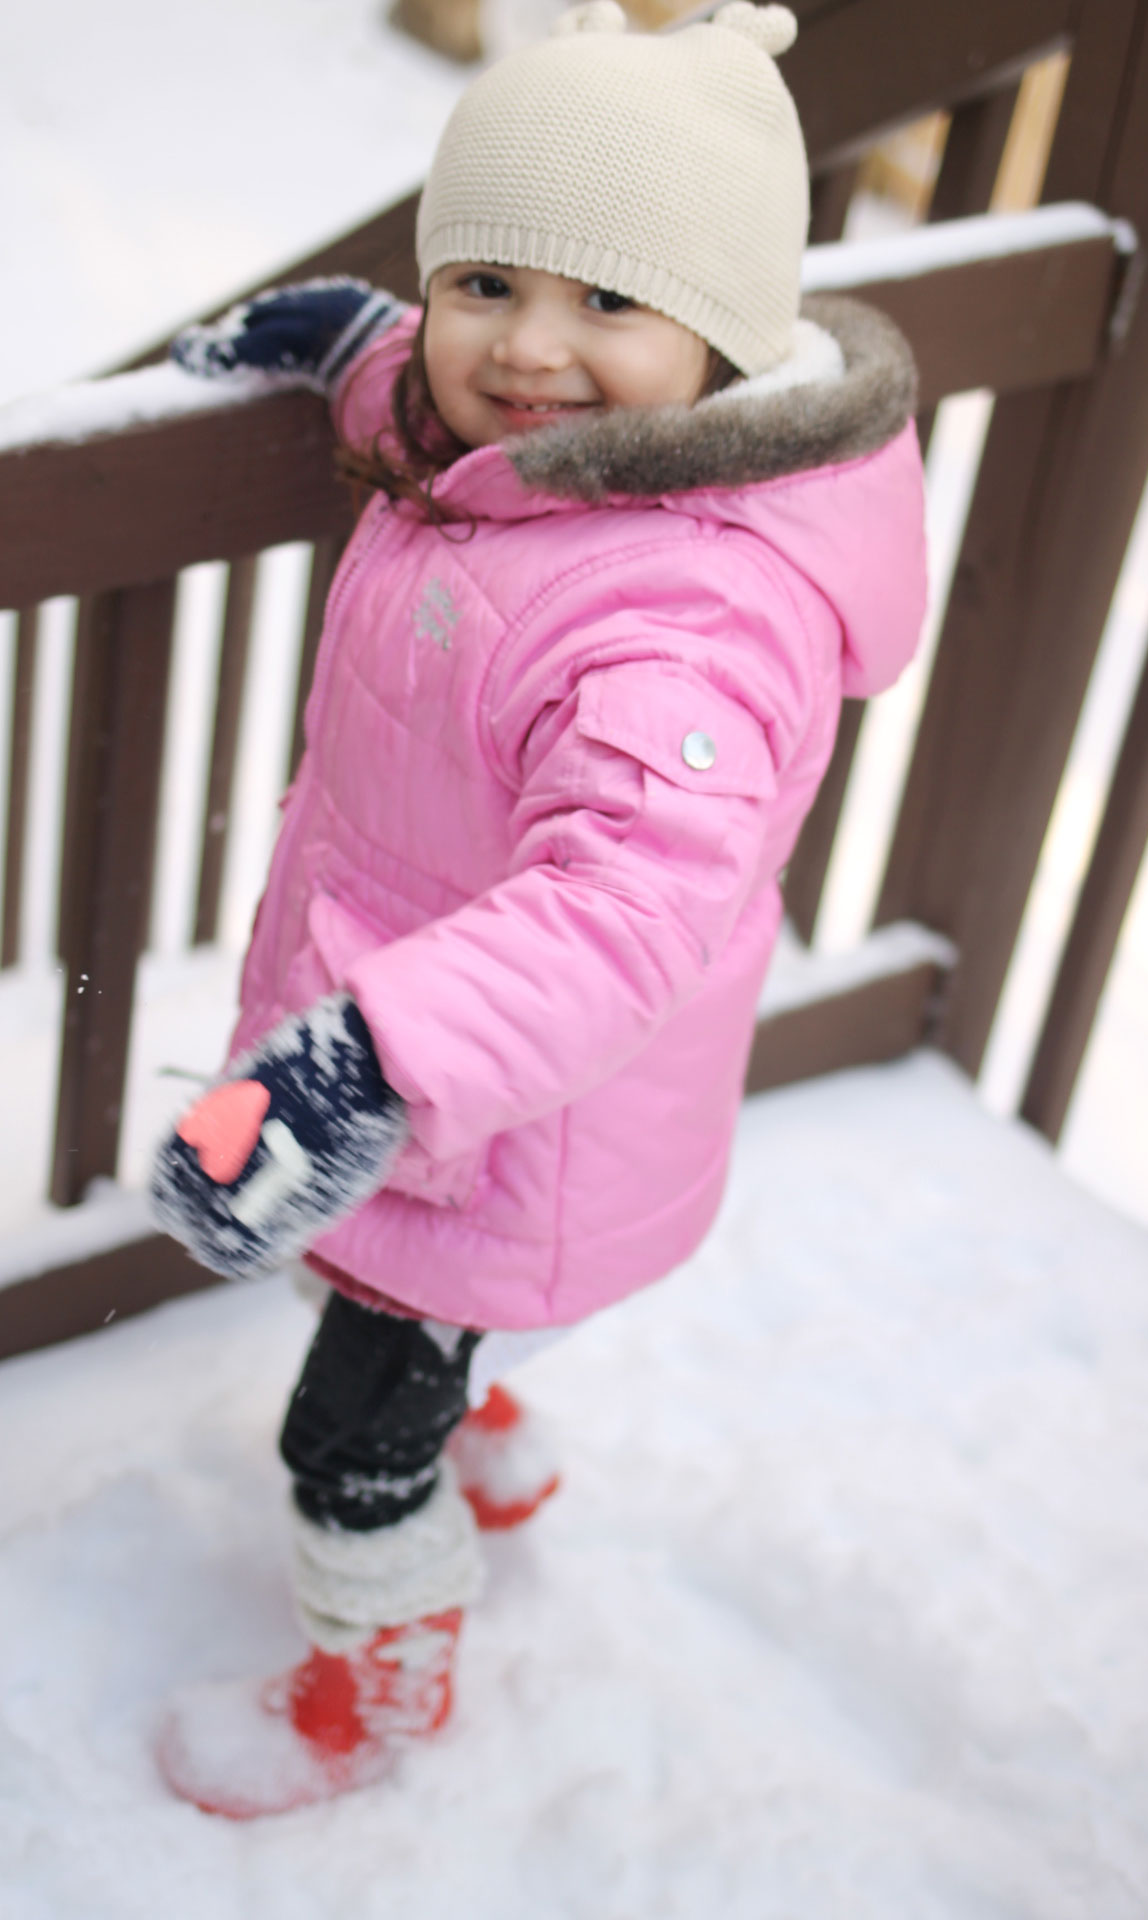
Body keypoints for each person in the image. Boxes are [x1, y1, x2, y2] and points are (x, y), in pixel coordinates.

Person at [150, 0, 928, 1818]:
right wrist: (355, 346)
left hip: (500, 1113)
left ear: (719, 332)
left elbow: (616, 911)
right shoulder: (534, 441)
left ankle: (374, 1685)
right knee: (429, 1321)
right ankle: (484, 1429)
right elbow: (453, 418)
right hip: (456, 1089)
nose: (528, 350)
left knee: (344, 1427)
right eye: (485, 279)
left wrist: (367, 1068)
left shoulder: (690, 616)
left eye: (605, 304)